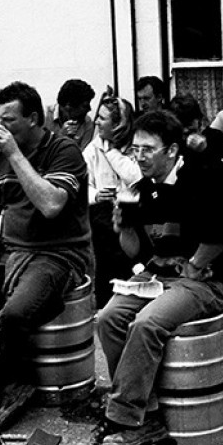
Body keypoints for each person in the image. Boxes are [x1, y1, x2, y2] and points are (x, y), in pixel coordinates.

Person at [72, 109, 223, 445]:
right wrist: (124, 229)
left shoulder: (200, 180)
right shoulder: (143, 190)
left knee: (147, 323)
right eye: (135, 149)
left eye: (148, 149)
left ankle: (117, 420)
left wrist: (195, 264)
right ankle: (146, 417)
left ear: (172, 150)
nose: (139, 156)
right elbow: (140, 253)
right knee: (109, 317)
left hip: (204, 282)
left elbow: (221, 236)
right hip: (160, 278)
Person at [0, 81, 92, 430]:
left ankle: (18, 382)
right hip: (16, 253)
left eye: (8, 120)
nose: (0, 128)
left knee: (14, 315)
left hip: (61, 254)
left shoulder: (63, 150)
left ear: (34, 119)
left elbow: (52, 204)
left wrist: (14, 154)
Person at [83, 90, 140, 308]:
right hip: (103, 217)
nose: (96, 122)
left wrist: (111, 152)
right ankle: (106, 303)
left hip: (135, 214)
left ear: (118, 125)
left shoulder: (136, 144)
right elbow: (80, 184)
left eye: (103, 118)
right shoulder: (93, 148)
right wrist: (96, 195)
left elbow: (135, 176)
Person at [44, 78, 96, 151]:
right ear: (68, 107)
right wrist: (60, 136)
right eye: (84, 106)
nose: (89, 109)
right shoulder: (44, 117)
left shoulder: (87, 123)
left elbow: (84, 157)